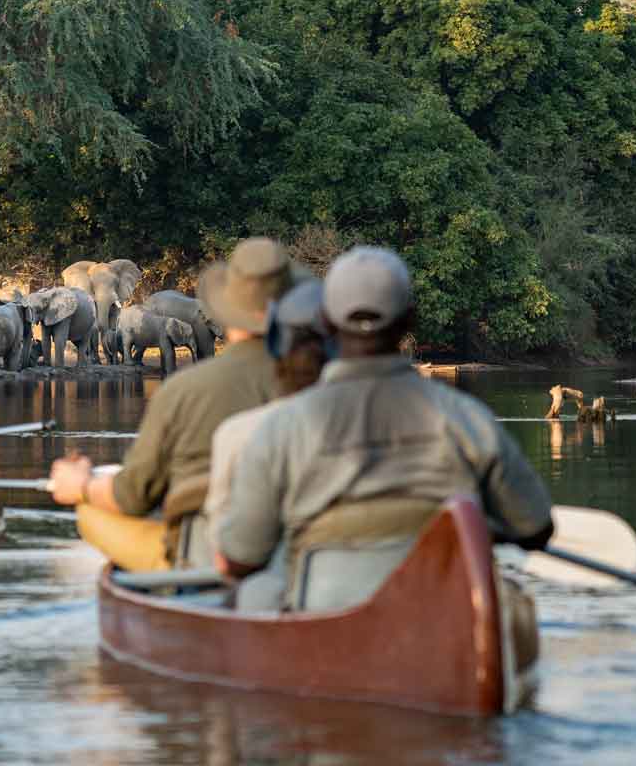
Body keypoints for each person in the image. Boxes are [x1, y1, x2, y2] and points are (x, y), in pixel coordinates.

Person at [215, 247, 553, 653]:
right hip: (442, 625)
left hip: (320, 616)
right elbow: (535, 528)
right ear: (409, 319)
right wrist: (489, 527)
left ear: (325, 322)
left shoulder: (279, 428)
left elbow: (240, 558)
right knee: (513, 598)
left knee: (250, 591)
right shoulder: (468, 418)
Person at [48, 238, 309, 571]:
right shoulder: (314, 384)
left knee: (89, 511)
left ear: (224, 314)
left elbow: (133, 495)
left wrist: (82, 485)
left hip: (203, 551)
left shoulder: (183, 389)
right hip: (296, 548)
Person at [200, 278, 332, 562]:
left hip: (275, 588)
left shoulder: (239, 434)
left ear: (273, 345)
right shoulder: (396, 424)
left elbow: (229, 557)